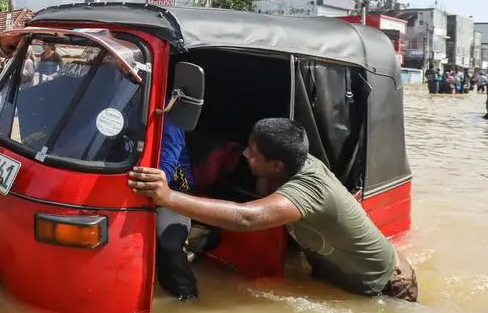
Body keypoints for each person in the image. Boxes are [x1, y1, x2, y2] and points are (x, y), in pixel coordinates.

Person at [128, 118, 419, 302]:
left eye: (253, 154)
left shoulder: (307, 189)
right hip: (343, 276)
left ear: (277, 165)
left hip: (387, 286)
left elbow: (247, 217)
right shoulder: (296, 164)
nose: (244, 155)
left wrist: (167, 196)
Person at [155, 116, 198, 301]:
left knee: (168, 243)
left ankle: (188, 297)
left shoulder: (169, 115)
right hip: (128, 182)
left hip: (172, 188)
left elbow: (167, 162)